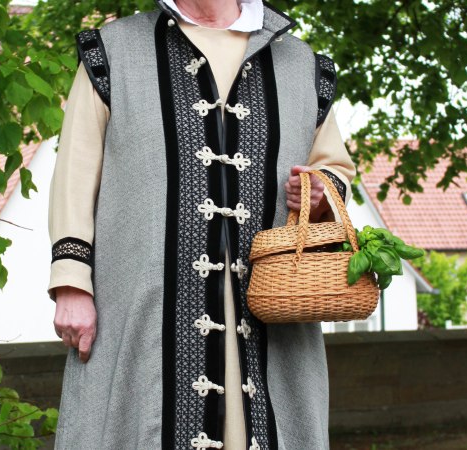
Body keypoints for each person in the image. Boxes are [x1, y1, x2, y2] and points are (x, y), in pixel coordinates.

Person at [46, 0, 357, 448]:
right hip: (143, 313)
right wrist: (72, 282)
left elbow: (333, 167)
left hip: (272, 320)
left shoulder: (299, 64)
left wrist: (323, 190)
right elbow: (75, 173)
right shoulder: (113, 52)